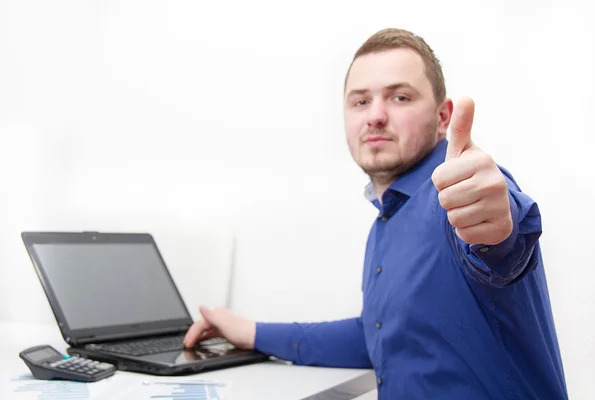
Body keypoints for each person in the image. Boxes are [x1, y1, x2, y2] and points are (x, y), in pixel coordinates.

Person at [183, 28, 568, 399]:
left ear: (443, 117)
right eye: (360, 101)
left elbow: (503, 238)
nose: (376, 116)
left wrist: (499, 230)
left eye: (400, 97)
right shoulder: (385, 223)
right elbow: (376, 335)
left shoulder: (458, 192)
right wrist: (248, 331)